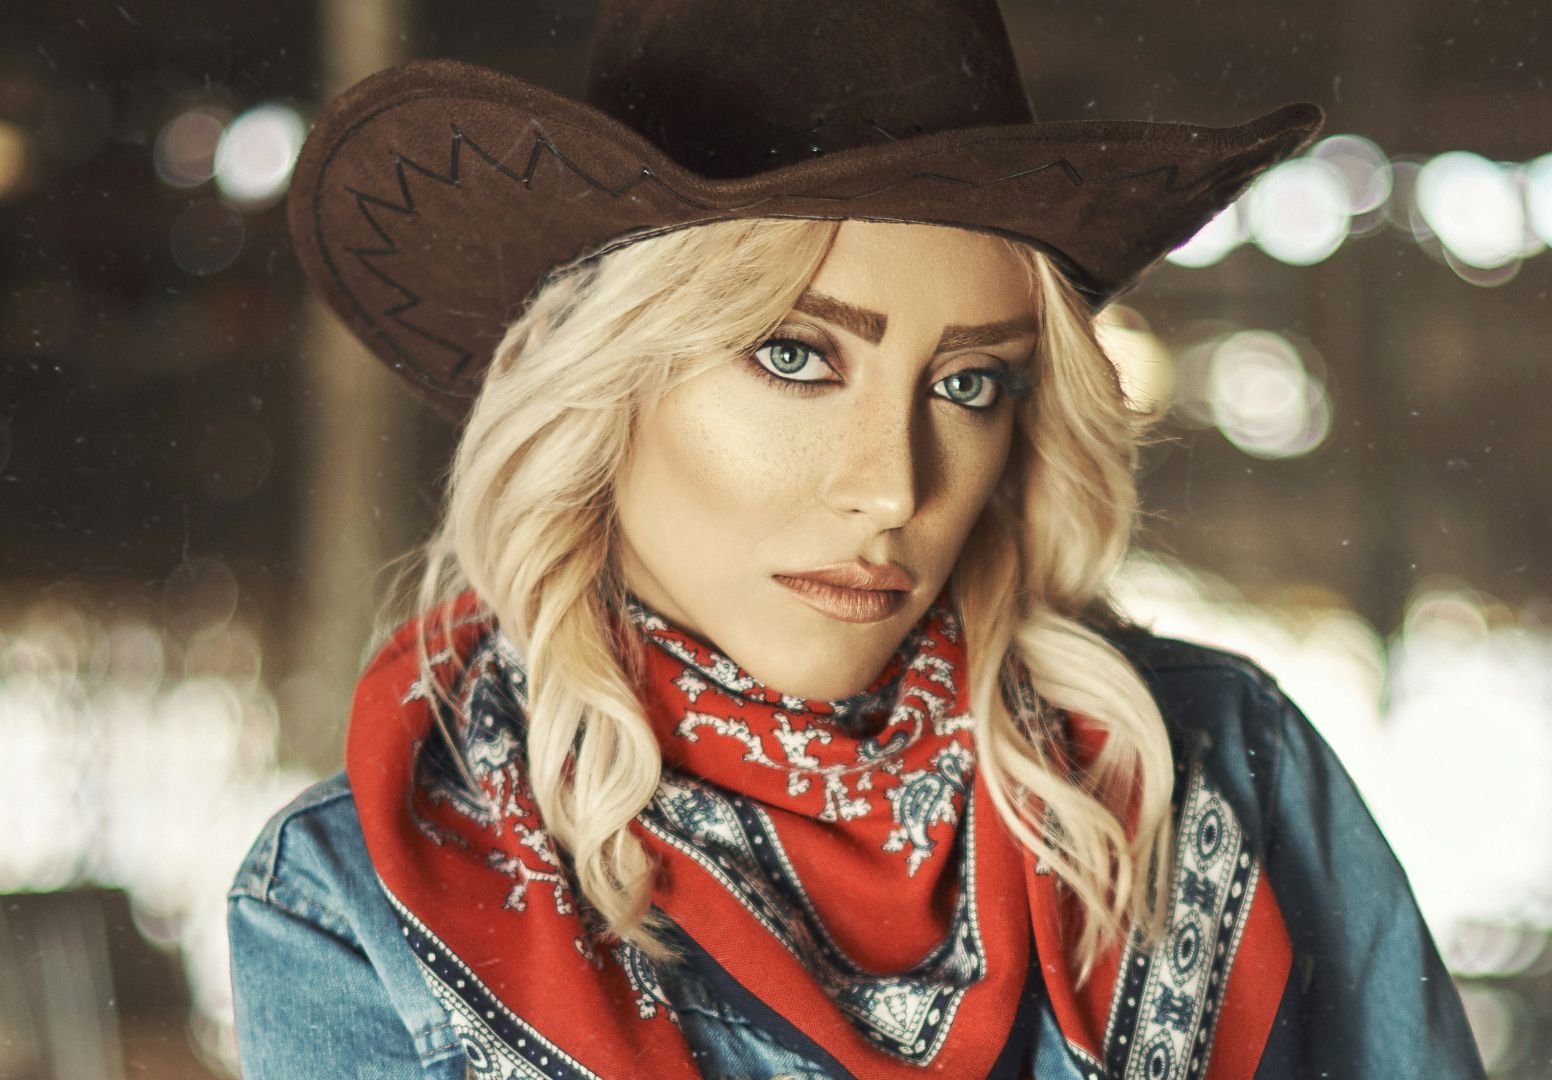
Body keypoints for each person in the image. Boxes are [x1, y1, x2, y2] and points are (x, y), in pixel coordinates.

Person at [226, 0, 1486, 1076]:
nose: (893, 491)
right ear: (602, 384)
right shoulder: (356, 905)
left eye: (970, 384)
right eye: (795, 354)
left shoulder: (1224, 768)